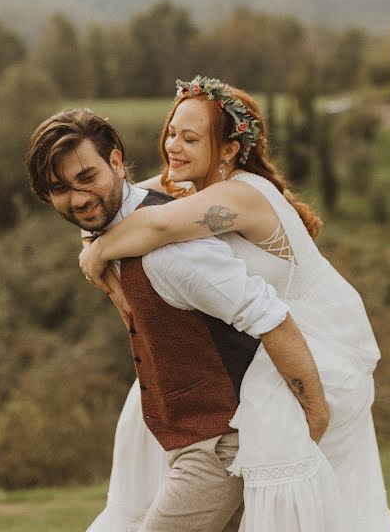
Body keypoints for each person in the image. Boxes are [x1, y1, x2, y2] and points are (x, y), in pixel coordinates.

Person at [78, 76, 390, 531]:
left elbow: (157, 227)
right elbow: (117, 203)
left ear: (228, 149)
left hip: (313, 347)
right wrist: (91, 233)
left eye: (191, 138)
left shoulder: (239, 195)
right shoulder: (190, 184)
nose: (174, 145)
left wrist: (96, 253)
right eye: (172, 132)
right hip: (266, 345)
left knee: (285, 489)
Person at [24, 108, 331, 532]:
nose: (77, 198)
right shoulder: (113, 232)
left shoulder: (171, 254)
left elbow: (272, 319)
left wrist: (315, 419)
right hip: (187, 441)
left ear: (116, 162)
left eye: (86, 178)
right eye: (59, 189)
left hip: (221, 444)